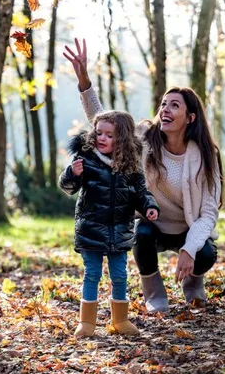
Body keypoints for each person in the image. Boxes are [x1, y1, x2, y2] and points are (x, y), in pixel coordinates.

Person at [63, 39, 223, 313]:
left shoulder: (206, 157)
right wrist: (85, 82)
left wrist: (189, 250)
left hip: (187, 228)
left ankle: (194, 283)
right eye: (164, 104)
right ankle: (154, 292)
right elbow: (104, 121)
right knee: (141, 234)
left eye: (174, 105)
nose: (165, 109)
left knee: (206, 254)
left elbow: (208, 214)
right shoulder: (144, 140)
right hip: (154, 225)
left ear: (190, 118)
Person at [59, 110, 159, 337]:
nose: (102, 138)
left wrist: (150, 207)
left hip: (120, 230)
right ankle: (86, 322)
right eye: (99, 133)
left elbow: (141, 192)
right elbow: (68, 187)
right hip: (91, 229)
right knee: (92, 273)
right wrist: (71, 174)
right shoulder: (85, 160)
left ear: (122, 139)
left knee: (119, 275)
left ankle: (120, 320)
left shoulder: (131, 165)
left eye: (109, 135)